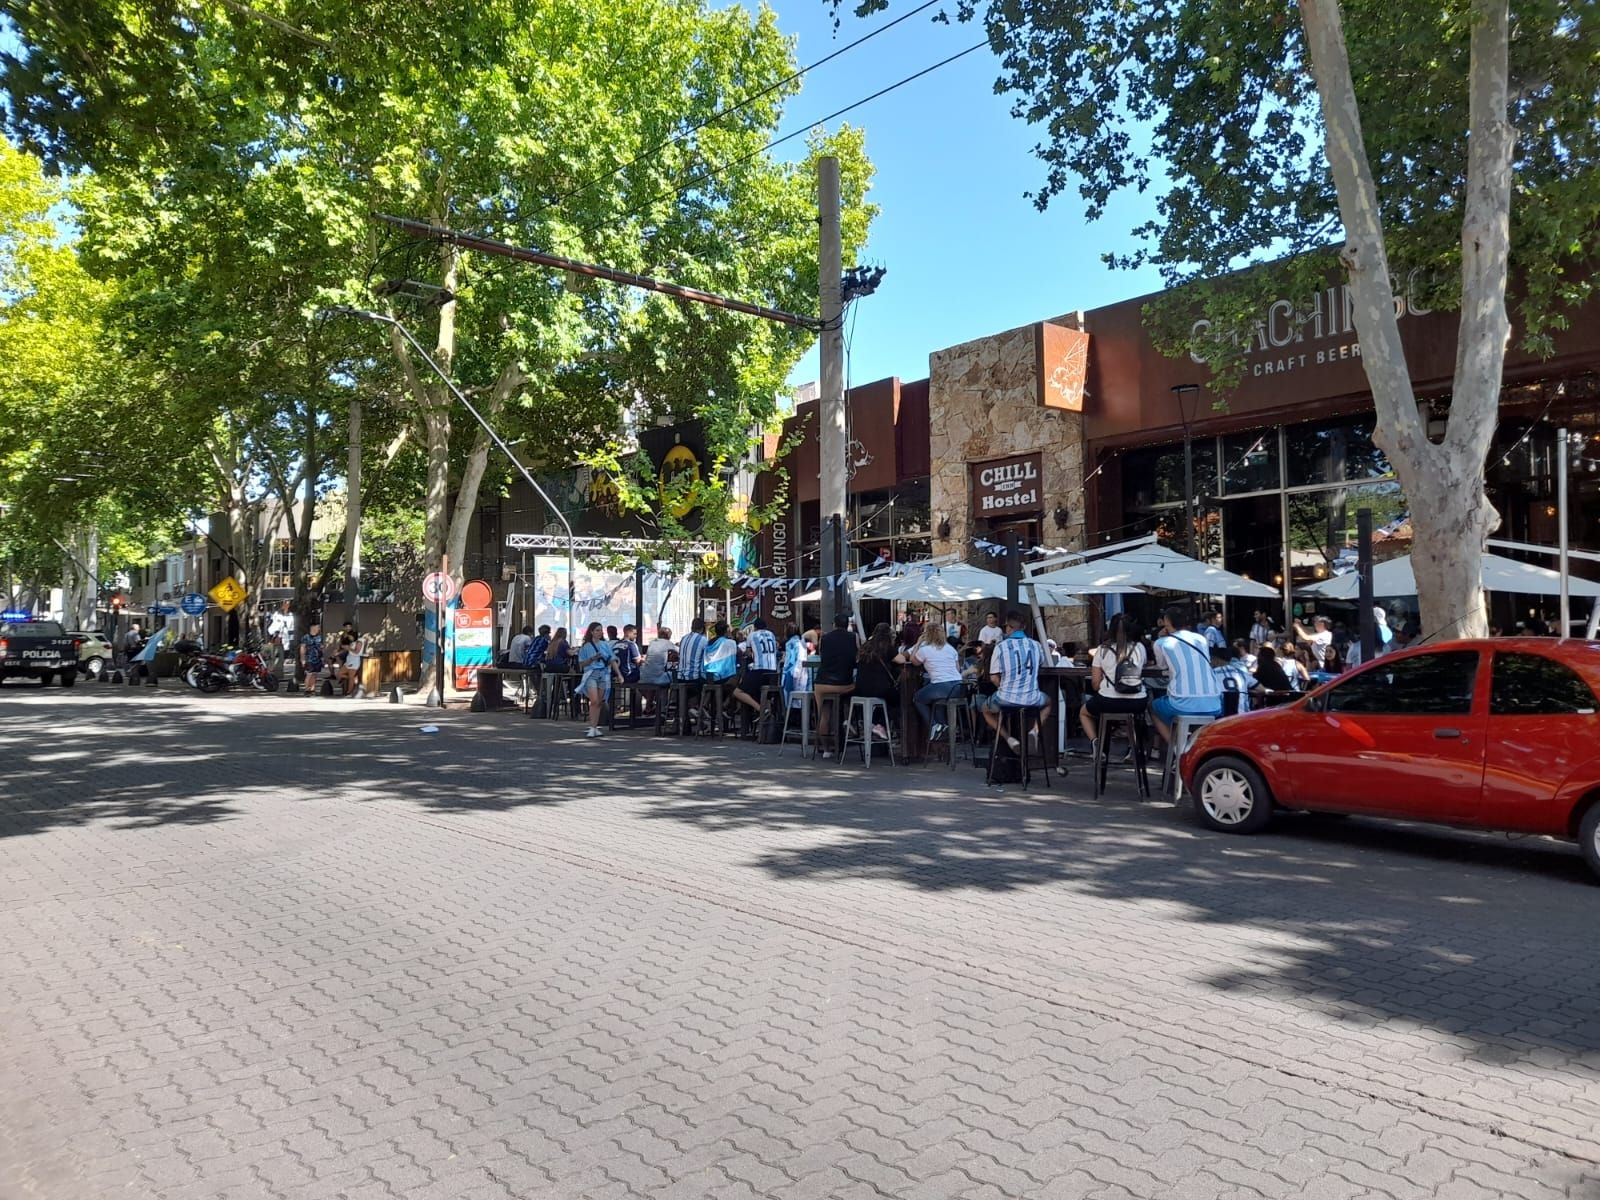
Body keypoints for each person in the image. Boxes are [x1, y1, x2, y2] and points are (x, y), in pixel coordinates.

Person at [1150, 605, 1222, 747]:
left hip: (1181, 703)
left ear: (1167, 621)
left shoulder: (1162, 643)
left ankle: (1177, 748)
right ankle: (1191, 744)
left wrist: (1160, 637)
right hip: (1214, 704)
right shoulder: (1200, 639)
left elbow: (1162, 666)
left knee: (1153, 707)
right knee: (1187, 715)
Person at [979, 611, 1051, 753]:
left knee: (985, 710)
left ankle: (1009, 739)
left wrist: (1004, 688)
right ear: (1023, 627)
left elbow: (994, 678)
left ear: (1009, 628)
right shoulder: (1036, 645)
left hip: (1005, 699)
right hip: (1032, 699)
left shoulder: (1001, 647)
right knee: (1048, 703)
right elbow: (1041, 664)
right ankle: (1034, 731)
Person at [1078, 614, 1149, 754]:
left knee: (1084, 713)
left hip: (1108, 701)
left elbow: (1095, 684)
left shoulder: (1102, 650)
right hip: (1137, 701)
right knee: (1135, 716)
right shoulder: (1140, 647)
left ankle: (1096, 743)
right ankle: (1135, 747)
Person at [905, 619, 965, 742]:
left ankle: (934, 725)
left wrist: (918, 643)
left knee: (917, 699)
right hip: (959, 687)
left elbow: (913, 661)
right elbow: (957, 669)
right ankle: (942, 730)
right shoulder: (950, 648)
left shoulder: (925, 649)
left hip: (942, 686)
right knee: (937, 701)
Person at [812, 614, 858, 746]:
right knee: (857, 688)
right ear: (847, 625)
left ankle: (826, 749)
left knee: (824, 714)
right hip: (843, 684)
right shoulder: (853, 637)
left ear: (834, 625)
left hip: (822, 684)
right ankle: (848, 719)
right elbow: (857, 657)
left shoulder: (824, 638)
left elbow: (822, 656)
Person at [730, 617, 780, 733]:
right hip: (773, 672)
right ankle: (765, 716)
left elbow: (748, 653)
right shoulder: (771, 635)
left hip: (760, 671)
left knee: (738, 692)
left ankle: (761, 709)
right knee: (762, 693)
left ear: (755, 627)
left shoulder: (752, 635)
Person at [852, 622, 901, 740]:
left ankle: (873, 723)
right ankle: (880, 724)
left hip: (860, 688)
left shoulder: (865, 646)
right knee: (896, 698)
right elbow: (901, 660)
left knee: (884, 699)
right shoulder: (887, 647)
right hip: (879, 688)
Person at [576, 621, 621, 737]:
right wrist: (592, 659)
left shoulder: (605, 645)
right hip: (591, 673)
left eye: (601, 630)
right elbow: (581, 664)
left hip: (604, 673)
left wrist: (619, 674)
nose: (600, 632)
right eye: (597, 630)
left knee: (600, 701)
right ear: (591, 632)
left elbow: (612, 660)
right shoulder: (585, 647)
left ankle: (595, 727)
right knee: (594, 700)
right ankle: (592, 727)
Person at [1212, 644, 1259, 714]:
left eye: (1212, 659)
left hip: (1221, 717)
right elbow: (1261, 689)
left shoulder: (1212, 674)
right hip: (1243, 715)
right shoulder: (1241, 673)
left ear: (1216, 660)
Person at [299, 621, 325, 695]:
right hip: (309, 658)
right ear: (312, 627)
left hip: (317, 658)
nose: (318, 629)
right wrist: (302, 658)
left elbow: (322, 647)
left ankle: (312, 689)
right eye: (317, 627)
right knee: (309, 674)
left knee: (314, 674)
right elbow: (302, 648)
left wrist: (322, 652)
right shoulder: (306, 637)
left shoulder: (319, 637)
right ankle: (307, 689)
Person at [340, 627, 366, 698]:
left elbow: (357, 652)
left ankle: (349, 692)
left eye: (351, 636)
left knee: (351, 677)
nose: (350, 638)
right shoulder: (351, 642)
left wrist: (349, 648)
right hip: (348, 660)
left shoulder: (359, 642)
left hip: (354, 661)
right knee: (340, 674)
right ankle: (354, 680)